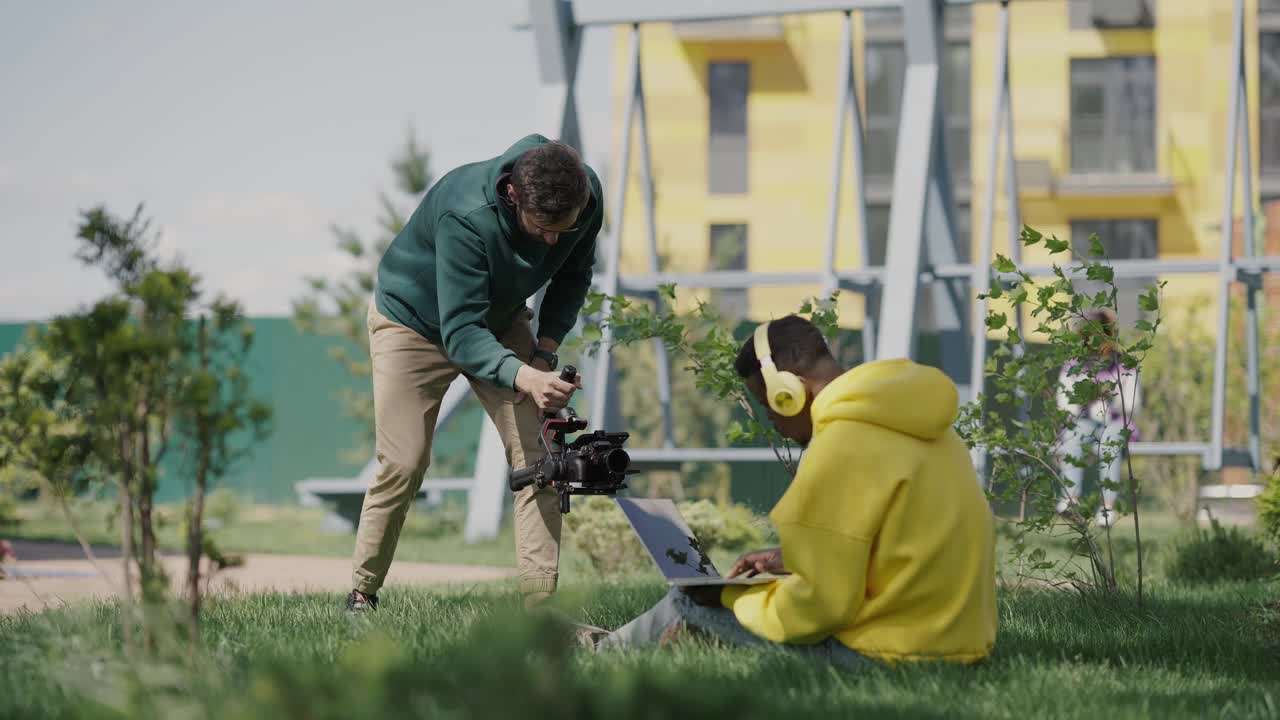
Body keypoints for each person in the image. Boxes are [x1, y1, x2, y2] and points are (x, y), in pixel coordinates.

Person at [590, 315, 998, 666]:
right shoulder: (928, 428)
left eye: (767, 404)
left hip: (887, 656)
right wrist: (794, 560)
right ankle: (611, 644)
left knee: (688, 601)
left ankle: (595, 656)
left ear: (787, 389)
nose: (771, 417)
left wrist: (732, 599)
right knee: (737, 598)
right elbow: (904, 546)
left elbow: (822, 609)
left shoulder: (840, 447)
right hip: (959, 647)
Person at [347, 134, 604, 612]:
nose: (553, 241)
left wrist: (544, 355)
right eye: (544, 228)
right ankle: (363, 592)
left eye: (563, 229)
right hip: (413, 324)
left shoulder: (583, 197)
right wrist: (524, 377)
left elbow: (574, 275)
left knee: (540, 455)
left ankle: (540, 611)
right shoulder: (465, 213)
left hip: (500, 317)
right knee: (404, 462)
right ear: (513, 197)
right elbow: (461, 333)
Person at [1054, 308, 1141, 528]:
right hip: (1084, 422)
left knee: (1109, 444)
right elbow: (1064, 403)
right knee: (1072, 436)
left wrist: (1110, 394)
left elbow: (1132, 403)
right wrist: (1083, 398)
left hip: (1115, 422)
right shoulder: (1074, 365)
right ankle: (1071, 498)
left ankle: (1107, 506)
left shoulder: (1123, 364)